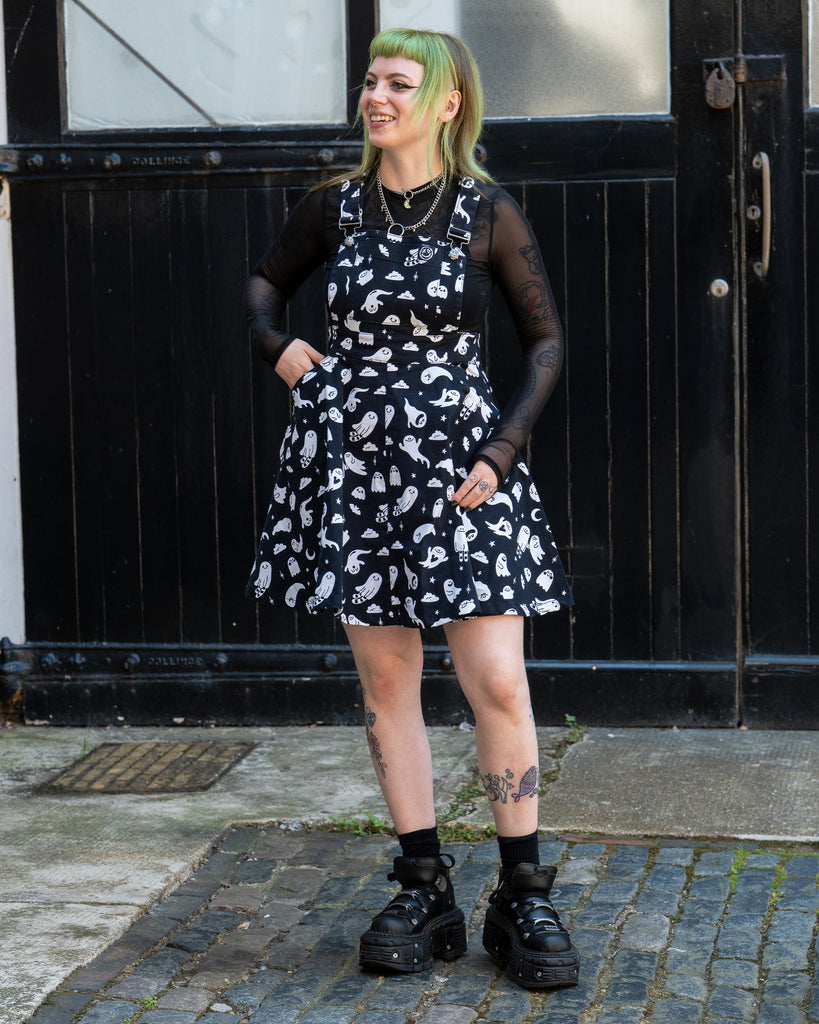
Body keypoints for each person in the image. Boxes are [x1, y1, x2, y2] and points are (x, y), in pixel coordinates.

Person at [244, 28, 579, 990]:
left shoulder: (487, 211)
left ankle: (522, 890)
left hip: (462, 469)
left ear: (446, 103)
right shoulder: (333, 210)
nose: (374, 95)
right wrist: (278, 346)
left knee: (498, 684)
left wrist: (502, 447)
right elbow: (264, 286)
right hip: (353, 464)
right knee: (389, 687)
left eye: (398, 82)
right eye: (369, 80)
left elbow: (546, 343)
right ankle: (423, 882)